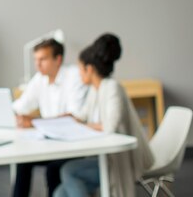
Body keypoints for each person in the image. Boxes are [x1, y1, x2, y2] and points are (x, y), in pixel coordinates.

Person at [53, 34, 154, 197]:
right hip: (102, 156)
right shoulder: (95, 90)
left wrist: (81, 125)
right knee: (60, 193)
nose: (79, 74)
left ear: (89, 69)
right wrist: (60, 120)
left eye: (80, 69)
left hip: (119, 159)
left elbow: (110, 126)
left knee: (68, 171)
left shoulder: (112, 88)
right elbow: (82, 116)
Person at [11, 38, 88, 197]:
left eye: (43, 59)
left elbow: (74, 117)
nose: (38, 64)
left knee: (54, 169)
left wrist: (33, 122)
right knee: (23, 161)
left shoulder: (74, 76)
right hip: (49, 144)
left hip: (73, 146)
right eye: (35, 60)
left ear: (58, 59)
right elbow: (20, 106)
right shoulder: (40, 79)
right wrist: (16, 116)